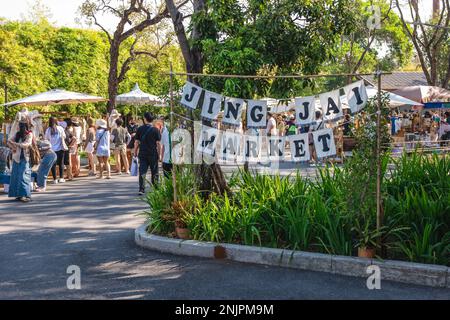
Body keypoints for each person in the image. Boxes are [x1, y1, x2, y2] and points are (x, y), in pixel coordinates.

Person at [7, 116, 33, 202]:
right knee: (16, 176)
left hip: (25, 158)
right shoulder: (17, 134)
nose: (20, 127)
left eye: (22, 125)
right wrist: (12, 147)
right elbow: (9, 141)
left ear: (25, 126)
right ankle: (18, 195)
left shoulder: (29, 134)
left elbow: (26, 144)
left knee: (24, 176)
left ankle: (25, 195)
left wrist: (15, 144)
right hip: (16, 158)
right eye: (20, 125)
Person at [134, 112, 161, 195]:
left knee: (142, 171)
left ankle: (141, 189)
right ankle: (156, 188)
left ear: (145, 119)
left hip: (143, 153)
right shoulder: (155, 129)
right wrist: (159, 155)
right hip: (153, 153)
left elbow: (137, 142)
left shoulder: (140, 129)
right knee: (154, 171)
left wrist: (135, 152)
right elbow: (158, 144)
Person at [45, 117, 67, 184]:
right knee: (61, 164)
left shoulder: (48, 130)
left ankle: (55, 179)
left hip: (52, 150)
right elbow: (64, 136)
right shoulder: (60, 128)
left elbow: (46, 139)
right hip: (60, 148)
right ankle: (61, 178)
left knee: (53, 165)